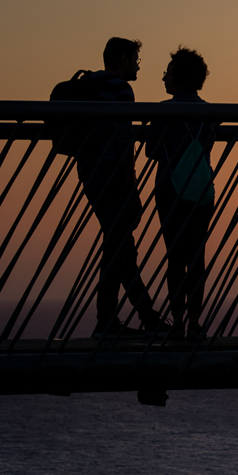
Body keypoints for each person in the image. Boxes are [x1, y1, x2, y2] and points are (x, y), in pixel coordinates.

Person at [75, 37, 164, 338]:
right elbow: (124, 141)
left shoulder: (92, 84)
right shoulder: (120, 89)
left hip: (90, 173)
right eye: (136, 59)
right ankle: (108, 323)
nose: (138, 66)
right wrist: (132, 185)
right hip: (112, 175)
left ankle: (145, 317)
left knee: (121, 248)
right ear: (124, 59)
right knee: (117, 249)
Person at [146, 47, 215, 339]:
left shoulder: (164, 110)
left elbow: (151, 150)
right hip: (201, 191)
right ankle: (195, 323)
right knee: (197, 256)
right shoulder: (210, 113)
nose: (164, 78)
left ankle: (176, 322)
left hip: (170, 190)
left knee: (175, 257)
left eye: (168, 73)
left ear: (180, 77)